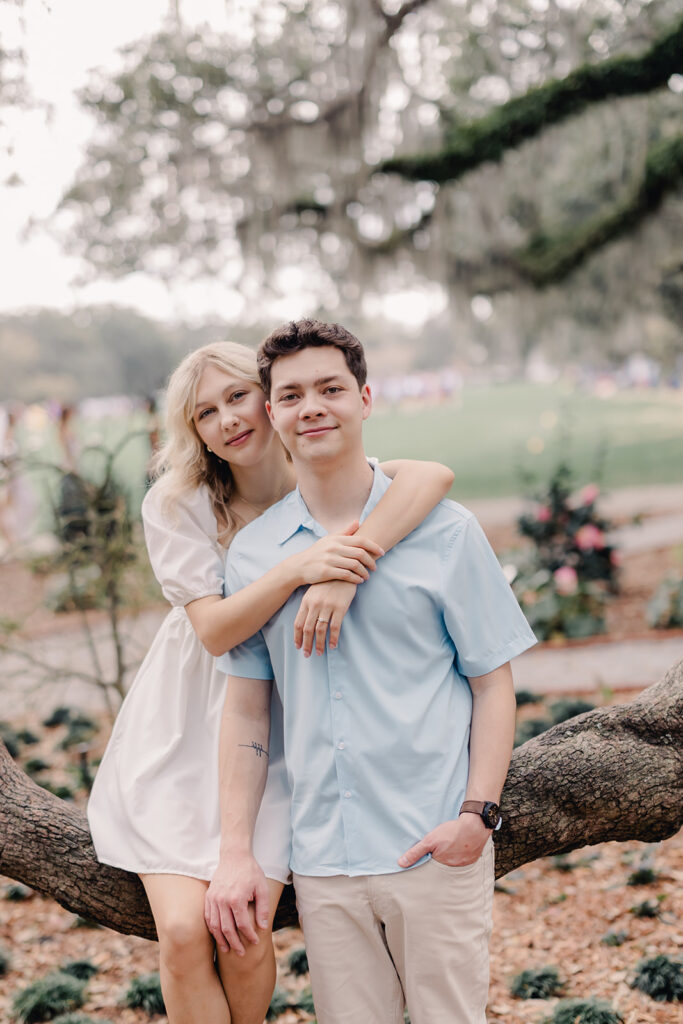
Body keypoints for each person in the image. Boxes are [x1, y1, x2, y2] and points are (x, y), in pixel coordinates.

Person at [87, 339, 454, 1024]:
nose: (227, 420)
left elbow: (430, 475)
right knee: (184, 932)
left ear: (266, 395)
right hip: (185, 721)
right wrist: (297, 568)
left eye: (236, 397)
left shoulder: (319, 470)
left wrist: (347, 565)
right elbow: (217, 631)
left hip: (281, 723)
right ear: (191, 431)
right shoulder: (179, 501)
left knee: (245, 933)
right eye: (204, 414)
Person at [206, 320, 537, 1024]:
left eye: (330, 389)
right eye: (291, 395)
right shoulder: (254, 555)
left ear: (364, 398)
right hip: (324, 858)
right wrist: (237, 851)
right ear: (273, 413)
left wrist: (476, 816)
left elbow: (491, 682)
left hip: (433, 844)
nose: (312, 407)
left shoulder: (446, 532)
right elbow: (245, 712)